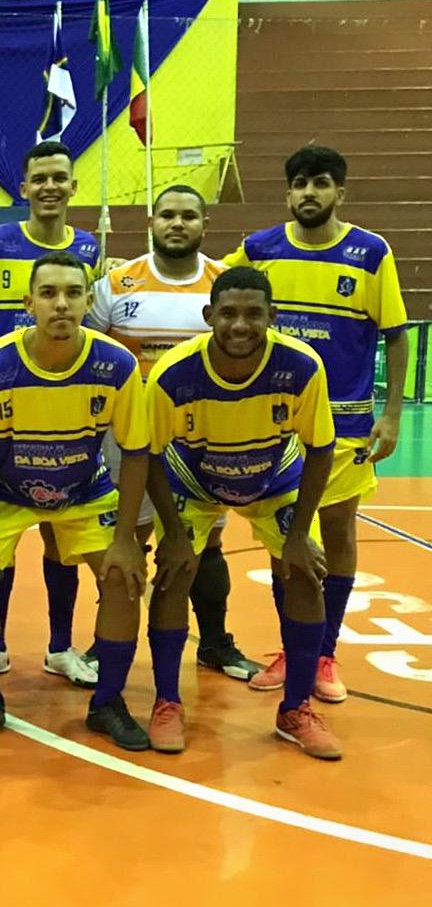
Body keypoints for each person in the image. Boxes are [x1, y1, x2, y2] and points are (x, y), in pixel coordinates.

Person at [225, 145, 408, 703]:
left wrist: (392, 414)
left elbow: (395, 335)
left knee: (338, 532)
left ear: (340, 192)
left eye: (321, 183)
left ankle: (324, 653)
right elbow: (211, 293)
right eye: (300, 183)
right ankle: (293, 648)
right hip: (275, 426)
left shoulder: (370, 253)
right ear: (288, 192)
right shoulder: (259, 249)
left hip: (346, 424)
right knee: (286, 538)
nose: (310, 192)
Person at [0, 252, 149, 749]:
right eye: (49, 293)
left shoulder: (117, 364)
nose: (61, 304)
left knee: (123, 578)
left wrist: (126, 537)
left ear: (88, 301)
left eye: (73, 293)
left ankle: (107, 702)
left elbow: (136, 452)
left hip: (83, 487)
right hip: (2, 488)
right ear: (28, 304)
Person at [144, 267, 340, 759]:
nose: (240, 325)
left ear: (272, 317)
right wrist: (173, 534)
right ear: (209, 315)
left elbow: (320, 449)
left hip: (273, 476)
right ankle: (167, 702)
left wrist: (299, 534)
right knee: (172, 574)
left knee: (304, 575)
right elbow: (148, 454)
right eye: (228, 313)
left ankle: (295, 709)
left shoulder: (302, 366)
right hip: (194, 478)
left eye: (253, 314)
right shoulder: (173, 373)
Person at [85, 184, 259, 681]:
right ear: (152, 223)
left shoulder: (224, 286)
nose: (177, 223)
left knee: (207, 544)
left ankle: (215, 643)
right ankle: (106, 643)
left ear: (204, 224)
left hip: (201, 439)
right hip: (132, 439)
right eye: (167, 215)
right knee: (128, 541)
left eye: (188, 215)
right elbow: (90, 354)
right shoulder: (117, 284)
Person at [0, 140, 101, 688]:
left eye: (59, 178)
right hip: (5, 410)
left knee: (62, 537)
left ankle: (60, 646)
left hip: (65, 411)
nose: (49, 187)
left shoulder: (87, 247)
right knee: (2, 541)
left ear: (73, 187)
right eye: (39, 178)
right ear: (23, 188)